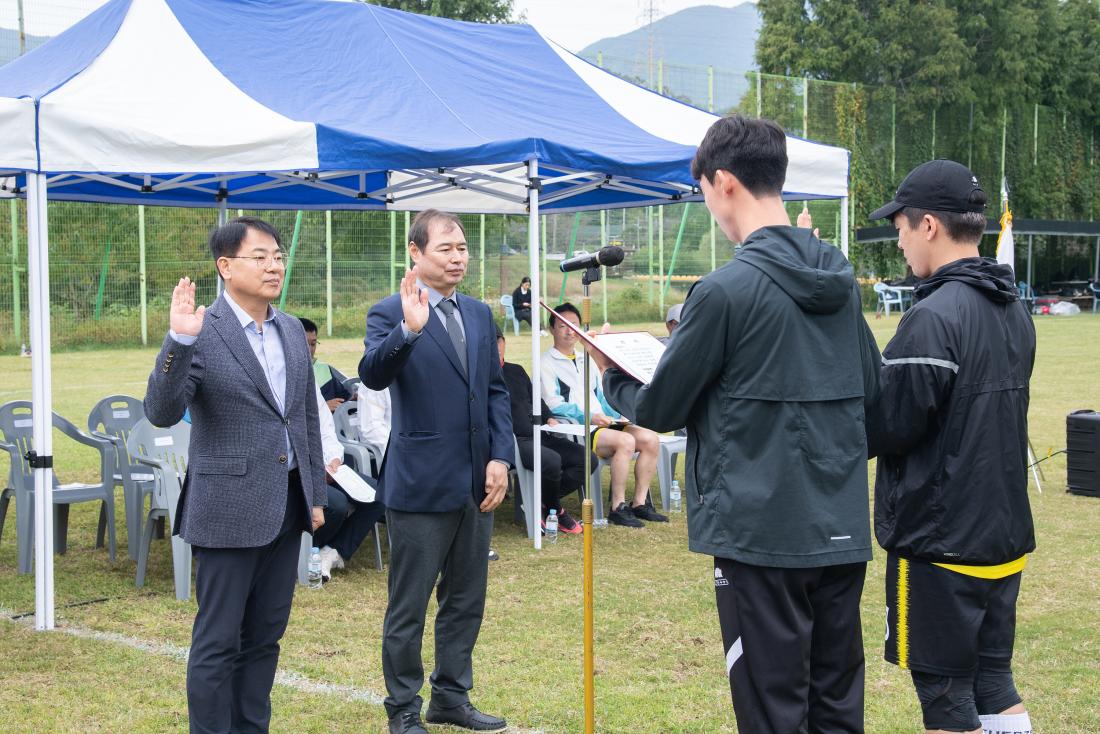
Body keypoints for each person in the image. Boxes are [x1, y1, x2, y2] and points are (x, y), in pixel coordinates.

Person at [596, 115, 880, 732]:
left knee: (772, 709)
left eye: (703, 192)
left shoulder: (724, 292)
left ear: (724, 182)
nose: (709, 208)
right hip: (838, 524)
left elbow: (660, 409)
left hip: (759, 535)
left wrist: (610, 374)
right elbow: (875, 400)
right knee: (836, 704)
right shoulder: (841, 281)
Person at [867, 160, 1037, 734]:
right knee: (994, 681)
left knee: (946, 699)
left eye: (900, 228)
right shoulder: (1013, 307)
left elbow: (888, 427)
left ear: (929, 226)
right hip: (1001, 534)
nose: (899, 242)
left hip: (940, 544)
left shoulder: (932, 316)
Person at [143, 216, 326, 734]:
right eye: (259, 257)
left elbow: (304, 418)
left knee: (264, 638)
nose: (274, 266)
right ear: (225, 267)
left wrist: (314, 493)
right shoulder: (204, 330)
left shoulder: (290, 330)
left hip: (286, 505)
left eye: (278, 256)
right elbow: (161, 410)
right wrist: (178, 341)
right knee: (218, 640)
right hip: (226, 510)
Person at [360, 208, 513, 734]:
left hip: (476, 483)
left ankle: (451, 696)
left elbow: (494, 391)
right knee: (409, 605)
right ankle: (403, 708)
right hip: (420, 483)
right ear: (415, 252)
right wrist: (408, 329)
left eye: (462, 248)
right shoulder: (389, 311)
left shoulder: (478, 313)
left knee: (466, 599)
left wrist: (500, 458)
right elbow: (372, 375)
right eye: (445, 248)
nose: (457, 257)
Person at [540, 302, 667, 528]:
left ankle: (639, 503)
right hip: (578, 428)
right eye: (562, 326)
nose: (569, 331)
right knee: (626, 441)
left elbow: (602, 396)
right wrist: (590, 417)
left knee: (650, 439)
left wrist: (619, 415)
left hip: (603, 423)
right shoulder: (545, 363)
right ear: (551, 329)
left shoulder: (586, 359)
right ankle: (618, 507)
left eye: (574, 325)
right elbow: (553, 404)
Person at [497, 326, 594, 534]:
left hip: (538, 434)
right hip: (512, 441)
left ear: (504, 343)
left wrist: (549, 416)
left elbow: (536, 399)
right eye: (488, 343)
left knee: (587, 459)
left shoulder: (516, 370)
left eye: (498, 342)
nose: (495, 348)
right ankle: (556, 510)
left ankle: (542, 502)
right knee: (552, 461)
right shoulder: (480, 376)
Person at [312, 381, 385, 580]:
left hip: (329, 467)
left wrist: (334, 459)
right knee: (337, 505)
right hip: (301, 471)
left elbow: (327, 432)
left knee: (379, 495)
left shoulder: (312, 386)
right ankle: (310, 551)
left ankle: (333, 551)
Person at [300, 316, 353, 412]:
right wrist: (322, 408)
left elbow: (343, 397)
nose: (310, 349)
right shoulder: (284, 374)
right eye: (305, 343)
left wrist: (354, 398)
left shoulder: (324, 369)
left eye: (313, 344)